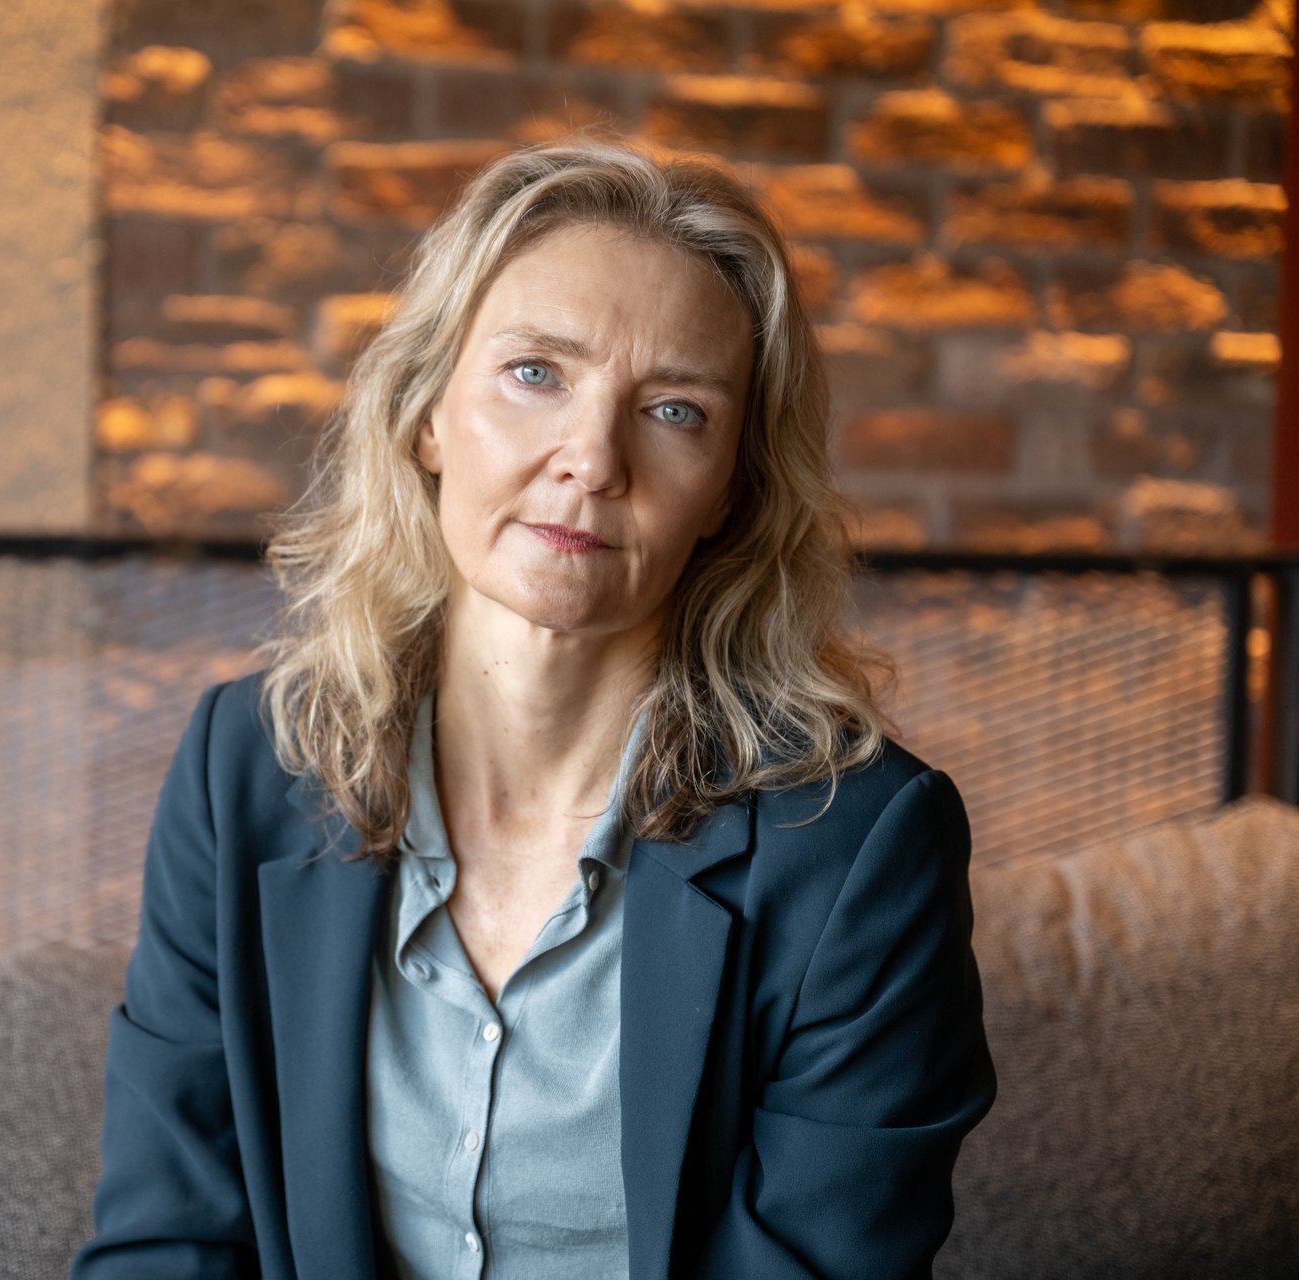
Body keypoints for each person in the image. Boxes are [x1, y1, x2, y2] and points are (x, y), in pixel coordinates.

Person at [69, 133, 997, 1280]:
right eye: (535, 373)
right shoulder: (245, 767)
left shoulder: (861, 848)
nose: (591, 458)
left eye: (674, 411)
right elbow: (171, 1236)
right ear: (425, 412)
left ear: (730, 494)